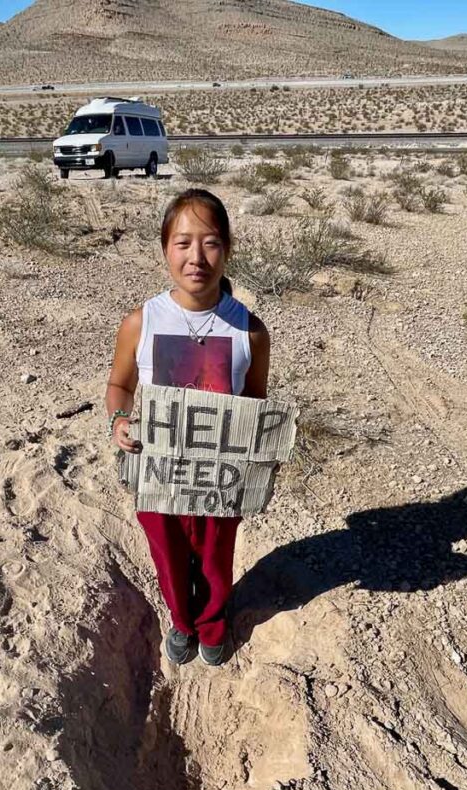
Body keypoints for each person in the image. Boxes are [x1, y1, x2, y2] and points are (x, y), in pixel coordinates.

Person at [105, 188, 270, 666]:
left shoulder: (249, 330)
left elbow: (255, 402)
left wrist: (256, 450)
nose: (196, 256)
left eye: (211, 242)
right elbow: (119, 384)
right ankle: (182, 620)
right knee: (169, 557)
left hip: (220, 476)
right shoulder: (141, 322)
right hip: (157, 472)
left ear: (227, 248)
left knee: (217, 556)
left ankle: (214, 622)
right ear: (165, 249)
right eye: (183, 243)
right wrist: (119, 419)